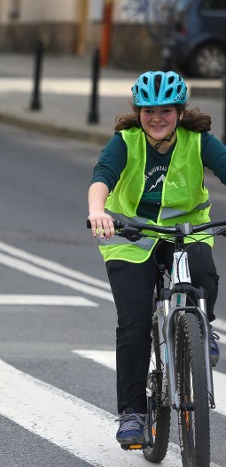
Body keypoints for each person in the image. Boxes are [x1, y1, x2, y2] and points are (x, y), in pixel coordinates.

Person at [88, 70, 225, 447]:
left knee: (202, 271)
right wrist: (98, 211)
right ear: (139, 112)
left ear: (179, 113)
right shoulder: (126, 142)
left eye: (165, 110)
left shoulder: (199, 142)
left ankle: (201, 326)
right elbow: (102, 177)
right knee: (132, 323)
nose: (156, 118)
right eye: (148, 111)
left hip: (185, 231)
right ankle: (132, 412)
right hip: (132, 236)